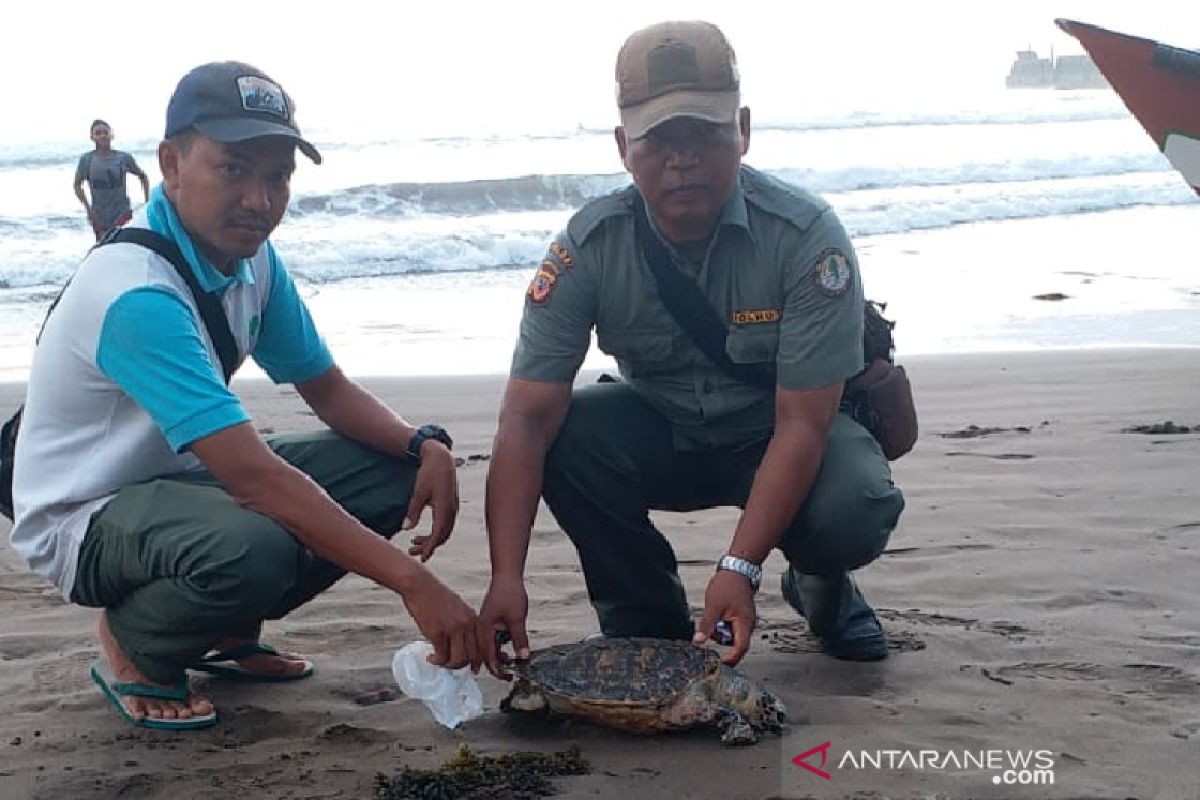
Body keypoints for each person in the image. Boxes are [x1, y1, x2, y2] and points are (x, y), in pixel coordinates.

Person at [11, 61, 478, 730]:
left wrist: (422, 443)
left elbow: (328, 389)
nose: (260, 200)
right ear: (171, 165)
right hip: (83, 515)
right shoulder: (136, 294)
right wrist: (413, 582)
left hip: (178, 484)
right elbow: (252, 477)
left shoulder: (252, 260)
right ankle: (138, 645)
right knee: (255, 545)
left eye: (277, 176)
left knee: (388, 474)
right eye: (234, 169)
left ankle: (226, 632)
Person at [476, 21, 904, 675]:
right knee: (564, 435)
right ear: (624, 147)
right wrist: (506, 575)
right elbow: (525, 418)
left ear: (744, 129)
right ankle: (646, 624)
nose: (684, 160)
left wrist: (740, 567)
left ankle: (820, 582)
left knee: (859, 505)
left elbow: (803, 422)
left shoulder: (806, 235)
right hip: (663, 430)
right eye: (659, 140)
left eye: (704, 133)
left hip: (778, 436)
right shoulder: (589, 247)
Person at [74, 119, 151, 240]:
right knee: (104, 249)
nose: (103, 136)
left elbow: (143, 177)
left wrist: (147, 202)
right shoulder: (87, 160)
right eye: (98, 133)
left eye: (105, 132)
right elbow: (77, 185)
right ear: (92, 137)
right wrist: (88, 209)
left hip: (122, 213)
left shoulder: (123, 158)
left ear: (112, 135)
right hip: (99, 215)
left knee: (123, 246)